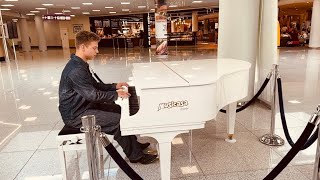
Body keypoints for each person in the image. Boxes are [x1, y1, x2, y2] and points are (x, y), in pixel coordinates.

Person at [58, 31, 157, 164]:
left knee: (120, 111)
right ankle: (135, 156)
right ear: (82, 47)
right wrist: (116, 95)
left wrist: (114, 86)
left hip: (84, 106)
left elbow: (95, 85)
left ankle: (134, 145)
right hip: (76, 115)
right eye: (94, 47)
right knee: (118, 121)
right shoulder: (76, 70)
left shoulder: (80, 64)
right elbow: (92, 95)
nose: (97, 51)